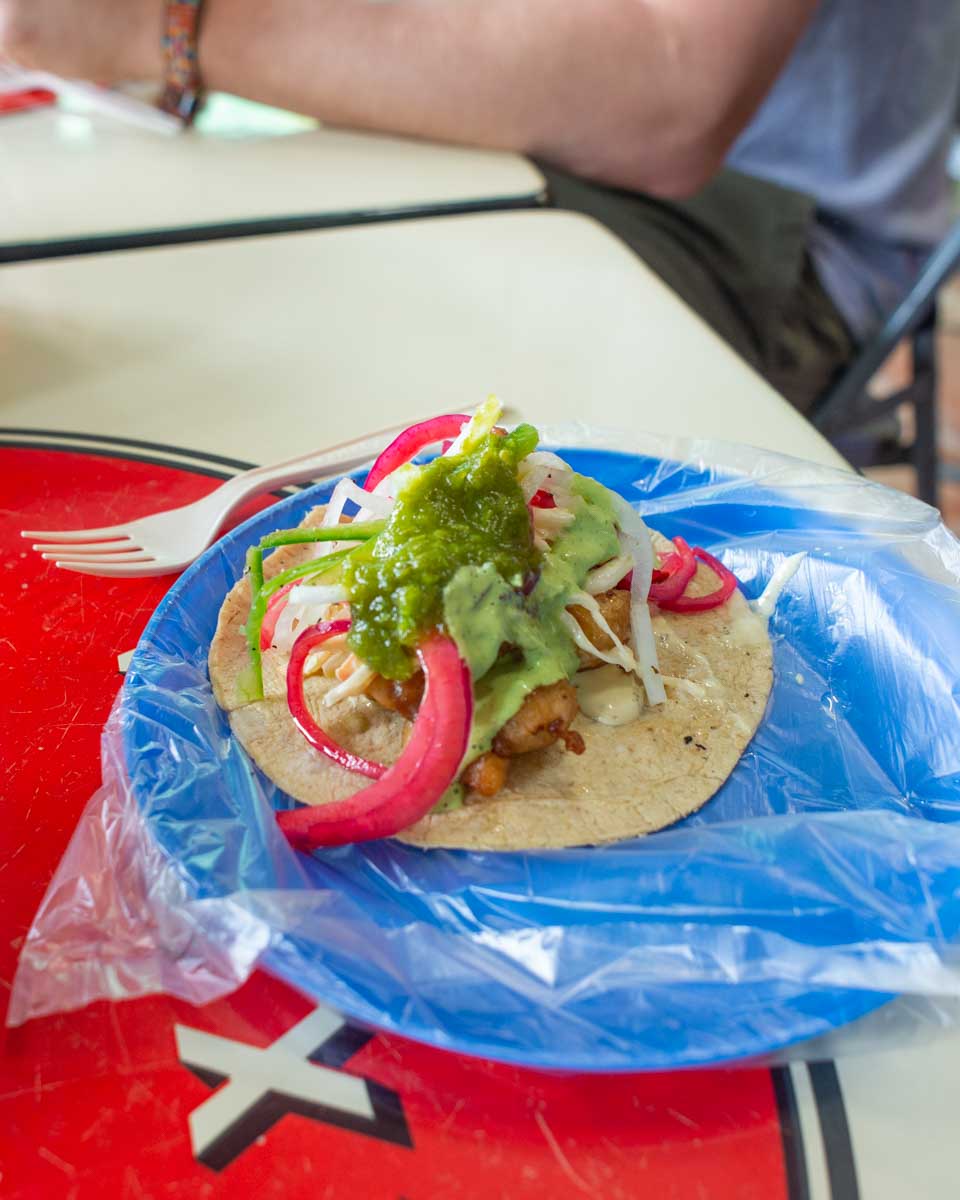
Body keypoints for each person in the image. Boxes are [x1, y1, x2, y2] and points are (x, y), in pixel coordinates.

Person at [4, 0, 958, 412]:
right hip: (524, 148)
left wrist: (167, 26)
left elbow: (671, 96)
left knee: (305, 393)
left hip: (774, 227)